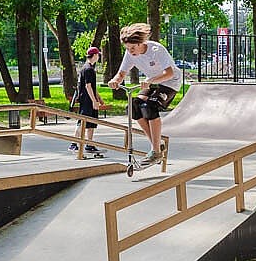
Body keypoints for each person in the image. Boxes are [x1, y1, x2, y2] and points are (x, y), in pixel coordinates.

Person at [107, 22, 182, 165]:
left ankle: (155, 152)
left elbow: (169, 72)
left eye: (133, 48)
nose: (131, 51)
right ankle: (157, 144)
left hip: (170, 82)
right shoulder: (130, 54)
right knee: (133, 106)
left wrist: (151, 80)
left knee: (149, 106)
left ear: (141, 43)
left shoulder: (156, 49)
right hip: (152, 82)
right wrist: (115, 80)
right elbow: (122, 73)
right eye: (128, 48)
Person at [69, 46, 103, 154]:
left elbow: (92, 87)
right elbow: (88, 86)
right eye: (98, 55)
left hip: (89, 98)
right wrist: (94, 101)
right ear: (94, 55)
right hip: (87, 100)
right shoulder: (88, 69)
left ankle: (89, 144)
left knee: (92, 122)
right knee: (83, 120)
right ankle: (73, 144)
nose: (99, 57)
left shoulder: (88, 68)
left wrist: (99, 98)